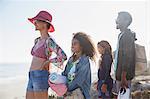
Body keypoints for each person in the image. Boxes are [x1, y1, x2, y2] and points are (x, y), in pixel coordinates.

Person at [26, 10, 67, 99]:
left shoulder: (49, 41)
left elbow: (63, 56)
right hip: (31, 74)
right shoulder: (37, 40)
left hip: (40, 75)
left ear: (44, 24)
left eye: (37, 21)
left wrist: (48, 62)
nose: (34, 23)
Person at [62, 32, 96, 99]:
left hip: (80, 94)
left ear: (82, 46)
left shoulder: (85, 61)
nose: (72, 46)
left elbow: (79, 80)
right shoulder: (71, 60)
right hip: (69, 93)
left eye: (75, 43)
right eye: (72, 44)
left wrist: (67, 89)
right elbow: (65, 74)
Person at [114, 11, 136, 97]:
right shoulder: (122, 34)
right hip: (121, 76)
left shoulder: (127, 35)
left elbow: (127, 57)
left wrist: (123, 77)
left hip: (124, 77)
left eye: (119, 19)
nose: (116, 21)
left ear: (126, 21)